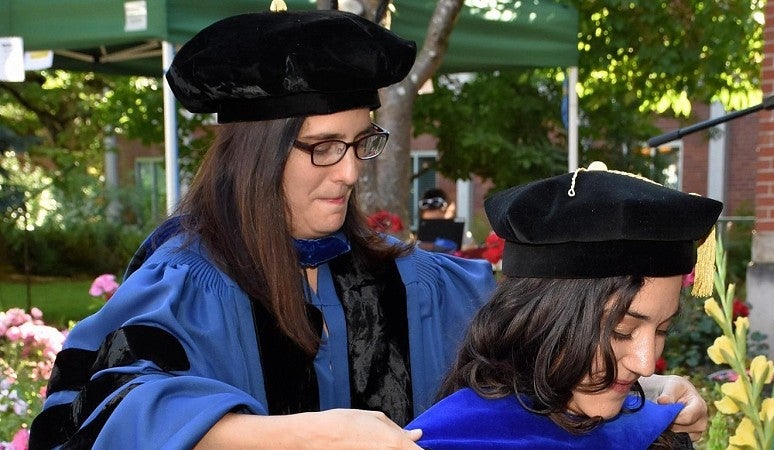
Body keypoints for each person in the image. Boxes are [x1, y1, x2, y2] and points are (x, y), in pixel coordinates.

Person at [29, 8, 707, 450]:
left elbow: (528, 360)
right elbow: (96, 412)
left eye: (362, 144)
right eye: (323, 146)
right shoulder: (189, 278)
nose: (350, 172)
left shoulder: (410, 280)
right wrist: (298, 435)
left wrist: (645, 394)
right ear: (256, 155)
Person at [405, 162, 723, 449]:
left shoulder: (654, 435)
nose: (646, 365)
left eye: (662, 330)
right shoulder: (446, 442)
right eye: (622, 330)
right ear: (540, 318)